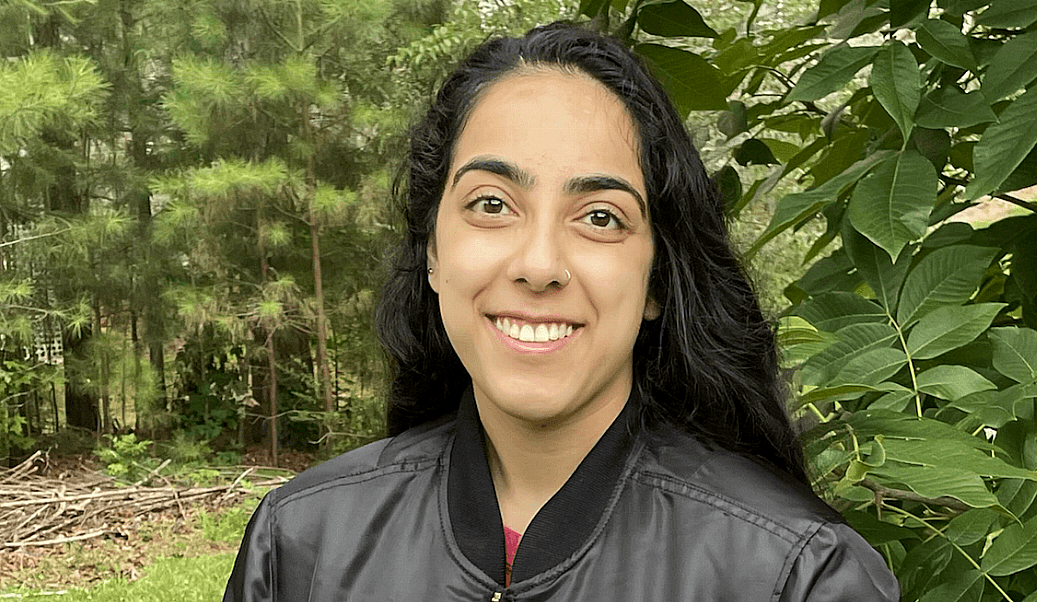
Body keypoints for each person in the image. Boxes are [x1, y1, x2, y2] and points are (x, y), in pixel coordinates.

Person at [223, 22, 899, 601]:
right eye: (491, 204)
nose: (539, 264)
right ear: (432, 250)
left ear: (657, 279)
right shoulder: (301, 545)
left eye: (601, 217)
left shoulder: (798, 573)